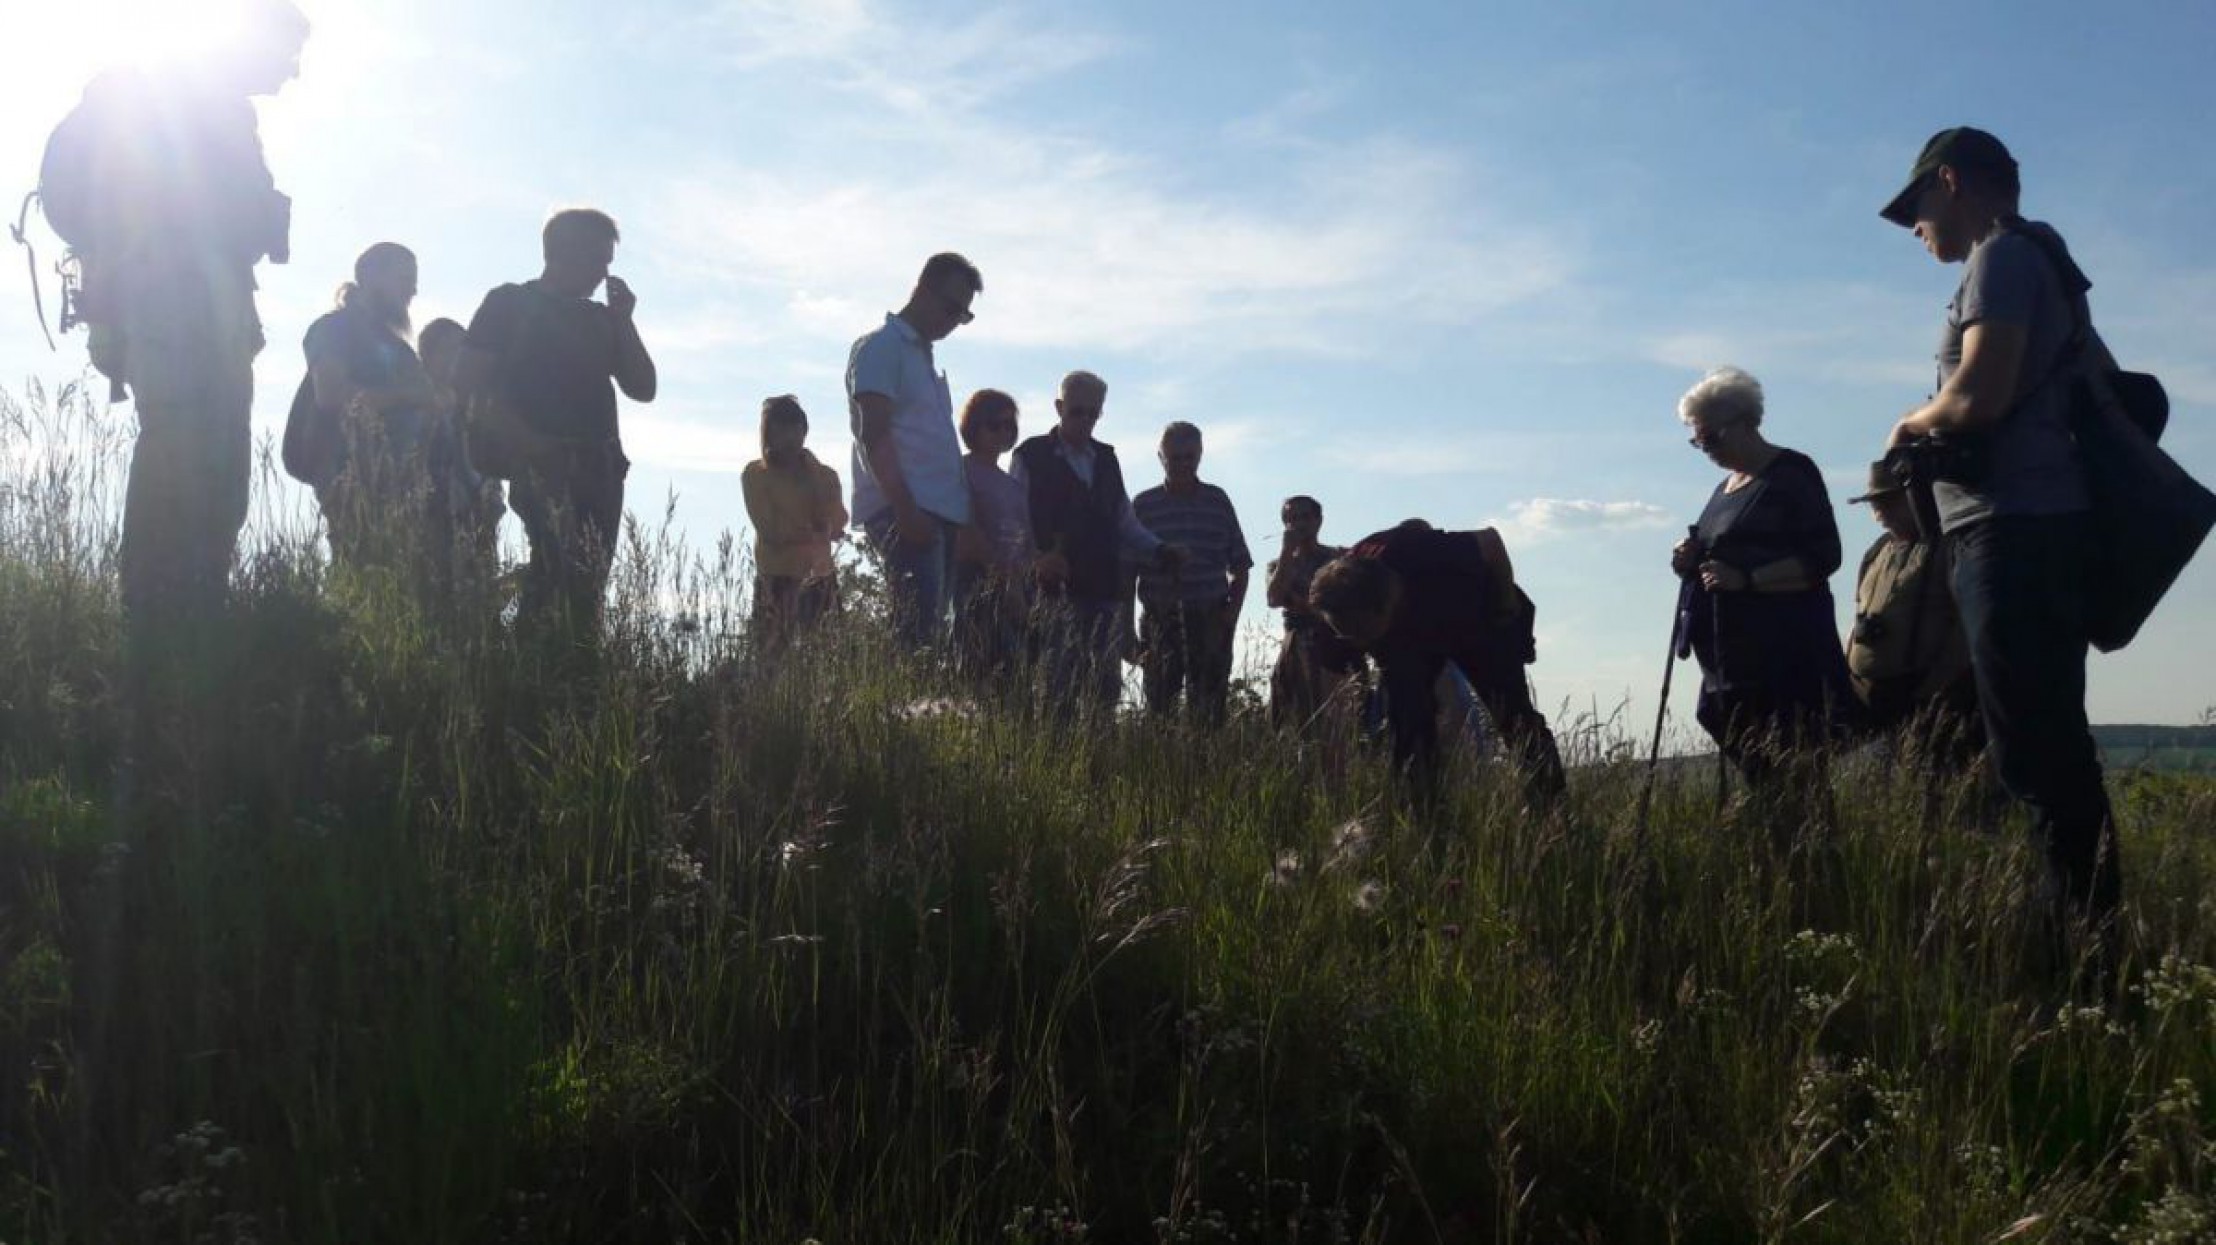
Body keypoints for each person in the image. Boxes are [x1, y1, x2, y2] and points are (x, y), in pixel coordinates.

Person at [1877, 126, 2123, 931]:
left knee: (2034, 748)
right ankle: (2089, 923)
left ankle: (2080, 937)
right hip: (2038, 525)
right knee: (2047, 735)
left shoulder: (2001, 257)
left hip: (2012, 528)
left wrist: (1908, 425)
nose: (1915, 227)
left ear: (1950, 181)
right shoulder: (2046, 260)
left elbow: (1978, 396)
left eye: (1917, 206)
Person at [52, 1, 310, 725]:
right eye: (287, 54)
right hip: (176, 301)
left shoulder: (200, 101)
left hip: (191, 304)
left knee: (211, 450)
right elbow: (197, 206)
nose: (291, 73)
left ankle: (184, 611)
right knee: (186, 446)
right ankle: (161, 619)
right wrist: (260, 213)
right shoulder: (196, 102)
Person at [457, 208, 658, 642]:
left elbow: (643, 387)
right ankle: (535, 668)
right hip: (543, 464)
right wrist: (530, 445)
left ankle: (572, 670)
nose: (604, 272)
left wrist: (624, 321)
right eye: (598, 259)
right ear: (564, 252)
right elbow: (471, 386)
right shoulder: (508, 303)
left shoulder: (601, 319)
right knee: (556, 572)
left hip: (601, 466)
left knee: (589, 580)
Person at [1670, 366, 1858, 787]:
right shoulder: (1724, 490)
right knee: (1761, 771)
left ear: (1743, 423)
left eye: (1710, 437)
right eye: (1696, 440)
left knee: (1796, 772)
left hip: (1785, 656)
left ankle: (1806, 850)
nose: (1705, 448)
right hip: (1728, 662)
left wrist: (1748, 579)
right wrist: (1690, 558)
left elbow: (1823, 556)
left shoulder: (1791, 472)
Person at [1309, 520, 1566, 808]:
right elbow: (1335, 688)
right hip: (1409, 638)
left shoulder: (1419, 553)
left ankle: (1551, 811)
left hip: (1477, 618)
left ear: (1388, 602)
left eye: (1363, 631)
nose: (1357, 643)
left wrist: (1505, 607)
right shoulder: (1336, 604)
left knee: (1514, 717)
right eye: (1346, 633)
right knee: (1406, 723)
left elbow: (1490, 541)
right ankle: (1423, 814)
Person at [1010, 371, 1177, 713]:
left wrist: (1160, 550)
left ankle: (1099, 763)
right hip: (1053, 592)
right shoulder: (1030, 454)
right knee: (1057, 691)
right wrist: (1037, 560)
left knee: (1105, 692)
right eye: (1077, 411)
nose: (1086, 419)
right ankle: (1054, 763)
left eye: (1093, 412)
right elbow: (1014, 522)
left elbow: (1124, 520)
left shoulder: (1106, 458)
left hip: (1104, 589)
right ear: (1059, 407)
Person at [847, 253, 981, 651]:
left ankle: (913, 709)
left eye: (963, 314)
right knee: (917, 639)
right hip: (908, 511)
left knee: (929, 638)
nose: (954, 320)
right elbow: (873, 433)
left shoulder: (919, 356)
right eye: (950, 307)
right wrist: (905, 510)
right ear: (922, 289)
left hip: (935, 513)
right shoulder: (883, 347)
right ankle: (900, 712)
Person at [301, 243, 438, 572]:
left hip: (402, 485)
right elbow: (331, 394)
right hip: (352, 478)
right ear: (373, 277)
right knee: (362, 573)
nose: (413, 290)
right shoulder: (336, 328)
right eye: (405, 279)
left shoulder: (398, 346)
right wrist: (409, 396)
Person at [1843, 460, 1981, 768]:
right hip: (1873, 699)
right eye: (1875, 504)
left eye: (1888, 501)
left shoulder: (1949, 547)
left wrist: (1938, 685)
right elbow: (1859, 616)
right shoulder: (1876, 552)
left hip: (1931, 693)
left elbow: (1964, 626)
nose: (1880, 512)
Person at [1132, 422, 1252, 726]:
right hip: (1160, 619)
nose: (1184, 465)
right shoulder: (1144, 505)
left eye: (1190, 457)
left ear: (1200, 455)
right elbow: (1126, 570)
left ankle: (1208, 772)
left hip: (1211, 617)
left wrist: (1229, 617)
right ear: (1161, 457)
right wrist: (1127, 635)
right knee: (1160, 711)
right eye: (1176, 458)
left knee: (1210, 713)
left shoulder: (1217, 501)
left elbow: (1240, 565)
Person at [951, 389, 1050, 679]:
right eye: (994, 424)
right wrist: (1004, 581)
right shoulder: (961, 470)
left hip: (1020, 585)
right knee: (980, 666)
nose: (1003, 431)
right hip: (977, 579)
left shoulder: (1013, 485)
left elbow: (1026, 539)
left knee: (1019, 672)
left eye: (1009, 425)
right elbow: (965, 531)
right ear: (974, 426)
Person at [741, 395, 847, 653]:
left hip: (818, 577)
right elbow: (770, 531)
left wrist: (813, 477)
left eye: (795, 428)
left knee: (828, 655)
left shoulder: (825, 475)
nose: (789, 438)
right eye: (780, 429)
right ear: (768, 435)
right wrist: (814, 534)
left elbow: (837, 522)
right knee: (772, 660)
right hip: (775, 578)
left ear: (804, 431)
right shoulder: (755, 475)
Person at [417, 318, 506, 603]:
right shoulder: (415, 408)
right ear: (427, 356)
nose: (457, 358)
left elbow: (491, 470)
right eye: (448, 349)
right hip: (432, 520)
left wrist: (491, 505)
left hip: (477, 521)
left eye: (461, 350)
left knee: (477, 598)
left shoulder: (478, 410)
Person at [1265, 495, 1363, 731]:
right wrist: (1287, 552)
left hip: (1336, 646)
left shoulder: (1338, 559)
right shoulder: (1277, 564)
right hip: (1297, 646)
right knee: (1298, 719)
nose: (1299, 524)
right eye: (1291, 518)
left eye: (1305, 517)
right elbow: (1274, 598)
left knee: (1341, 720)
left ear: (1318, 521)